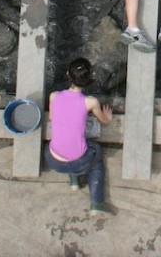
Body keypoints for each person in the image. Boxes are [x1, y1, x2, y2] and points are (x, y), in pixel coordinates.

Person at [44, 57, 116, 216]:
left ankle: (75, 181)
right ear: (90, 78)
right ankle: (97, 202)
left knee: (65, 142)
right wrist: (108, 117)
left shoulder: (54, 96)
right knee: (96, 152)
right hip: (79, 162)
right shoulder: (90, 102)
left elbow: (51, 118)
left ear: (68, 75)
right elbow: (103, 121)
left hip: (54, 161)